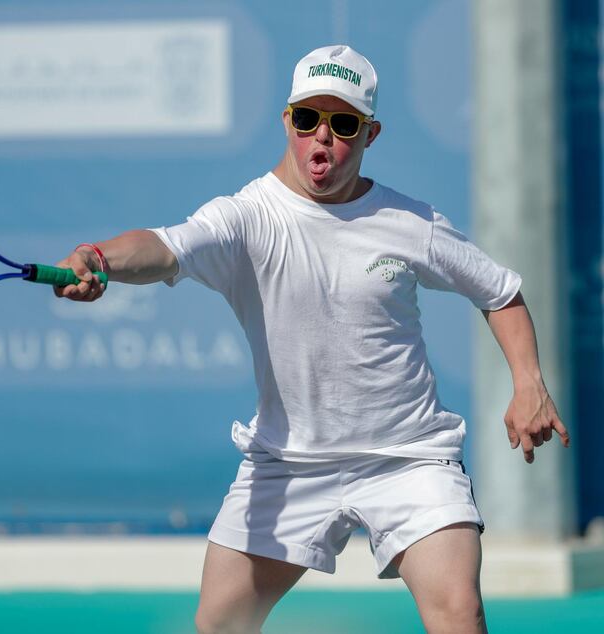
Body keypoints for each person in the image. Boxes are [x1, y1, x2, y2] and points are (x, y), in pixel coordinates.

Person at [54, 45, 570, 634]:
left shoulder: (411, 223)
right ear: (287, 121)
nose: (322, 138)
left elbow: (499, 290)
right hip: (288, 463)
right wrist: (99, 257)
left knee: (459, 613)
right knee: (218, 625)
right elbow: (163, 247)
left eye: (344, 124)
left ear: (371, 134)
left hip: (407, 459)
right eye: (308, 119)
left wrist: (529, 382)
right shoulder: (244, 218)